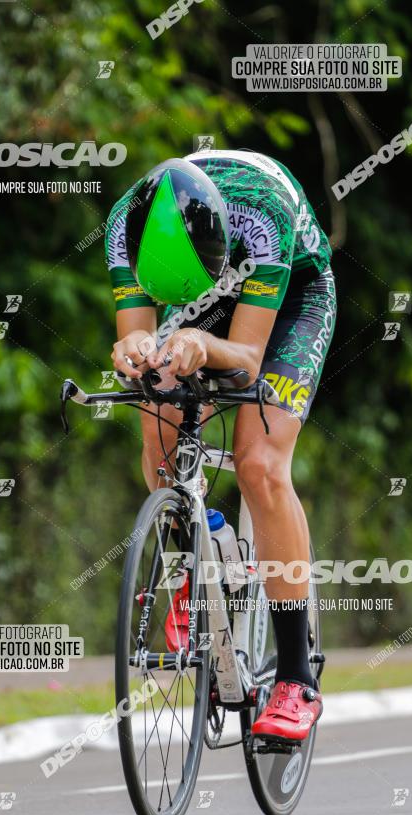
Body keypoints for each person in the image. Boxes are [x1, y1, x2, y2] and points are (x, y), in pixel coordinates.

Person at [104, 148, 336, 742]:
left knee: (260, 464)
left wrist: (203, 348)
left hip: (291, 300)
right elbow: (135, 333)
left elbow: (249, 359)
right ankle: (194, 555)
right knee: (157, 412)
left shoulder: (262, 215)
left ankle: (295, 677)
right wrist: (133, 350)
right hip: (200, 288)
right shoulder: (125, 227)